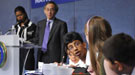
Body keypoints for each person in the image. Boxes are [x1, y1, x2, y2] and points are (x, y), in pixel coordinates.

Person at [14, 6, 37, 75]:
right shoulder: (15, 27)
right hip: (17, 55)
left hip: (28, 55)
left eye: (20, 15)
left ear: (25, 14)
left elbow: (36, 39)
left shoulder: (32, 26)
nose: (19, 17)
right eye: (17, 16)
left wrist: (25, 42)